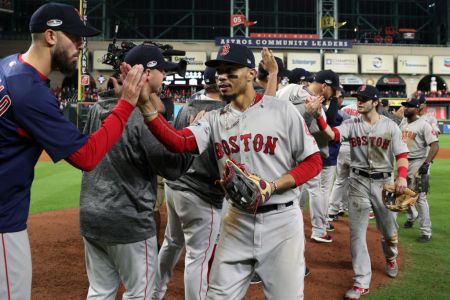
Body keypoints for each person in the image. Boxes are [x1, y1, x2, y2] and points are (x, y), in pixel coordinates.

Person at [139, 43, 322, 299]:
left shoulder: (282, 111)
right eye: (219, 71)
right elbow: (180, 142)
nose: (221, 76)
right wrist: (147, 108)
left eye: (230, 70)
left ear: (249, 73)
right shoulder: (214, 119)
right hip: (237, 220)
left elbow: (313, 162)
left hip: (281, 223)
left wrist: (273, 186)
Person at [0, 3, 147, 299]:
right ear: (51, 36)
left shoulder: (7, 66)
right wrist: (126, 104)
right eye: (76, 38)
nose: (81, 45)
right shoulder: (30, 91)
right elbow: (87, 156)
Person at [79, 44, 192, 299]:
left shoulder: (99, 108)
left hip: (92, 216)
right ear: (148, 74)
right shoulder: (142, 115)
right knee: (139, 293)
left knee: (99, 290)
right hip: (128, 220)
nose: (166, 76)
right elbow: (171, 167)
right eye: (163, 70)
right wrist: (193, 143)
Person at [306, 85, 409, 299]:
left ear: (375, 102)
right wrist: (318, 116)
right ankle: (362, 281)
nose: (359, 101)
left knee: (389, 232)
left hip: (384, 184)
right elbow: (332, 135)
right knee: (357, 234)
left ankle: (391, 257)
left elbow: (401, 154)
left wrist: (401, 176)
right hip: (358, 183)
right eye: (358, 98)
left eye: (364, 98)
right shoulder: (351, 124)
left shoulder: (390, 126)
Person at [152, 66, 226, 300]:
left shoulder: (186, 108)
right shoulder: (225, 113)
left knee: (171, 243)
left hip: (176, 188)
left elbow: (172, 146)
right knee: (198, 256)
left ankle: (154, 293)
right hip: (202, 193)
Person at [399, 98, 439, 242]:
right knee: (403, 193)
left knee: (420, 197)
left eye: (409, 107)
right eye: (405, 106)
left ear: (416, 109)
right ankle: (411, 216)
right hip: (403, 162)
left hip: (418, 163)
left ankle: (426, 232)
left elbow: (435, 145)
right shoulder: (403, 123)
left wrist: (426, 164)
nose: (405, 108)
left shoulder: (424, 125)